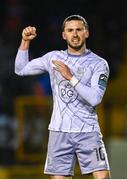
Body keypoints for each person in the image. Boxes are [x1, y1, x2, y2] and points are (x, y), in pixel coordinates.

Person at [14, 15, 111, 179]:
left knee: (103, 177)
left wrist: (70, 77)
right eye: (70, 30)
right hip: (59, 131)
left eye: (79, 30)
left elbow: (95, 98)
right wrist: (25, 41)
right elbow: (20, 69)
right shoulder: (53, 58)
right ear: (63, 35)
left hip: (88, 131)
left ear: (86, 33)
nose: (75, 34)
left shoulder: (99, 64)